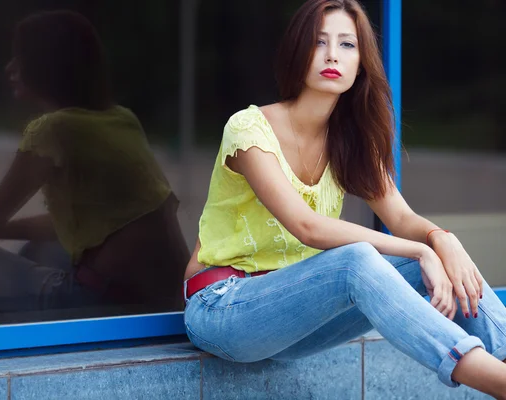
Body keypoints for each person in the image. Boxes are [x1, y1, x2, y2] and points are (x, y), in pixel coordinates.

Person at [182, 0, 506, 397]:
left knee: (440, 258)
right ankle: (496, 381)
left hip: (296, 324)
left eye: (347, 44)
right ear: (298, 51)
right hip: (224, 309)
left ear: (361, 63)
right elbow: (306, 226)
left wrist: (442, 240)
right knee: (359, 259)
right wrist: (422, 252)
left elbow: (403, 219)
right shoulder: (249, 129)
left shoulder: (350, 139)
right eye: (319, 42)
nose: (333, 55)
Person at [0, 10, 189, 320]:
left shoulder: (53, 131)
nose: (10, 69)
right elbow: (97, 224)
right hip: (165, 303)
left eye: (20, 59)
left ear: (45, 64)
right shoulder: (121, 119)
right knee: (36, 252)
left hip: (100, 301)